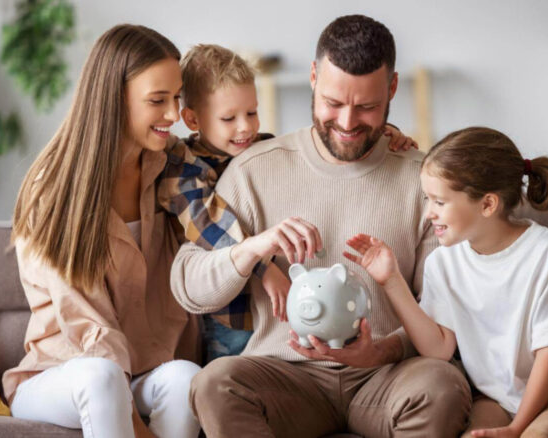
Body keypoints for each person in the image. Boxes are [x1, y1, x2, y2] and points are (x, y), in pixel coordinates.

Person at [171, 15, 471, 438]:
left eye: (366, 107)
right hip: (284, 376)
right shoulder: (252, 168)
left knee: (442, 386)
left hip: (388, 375)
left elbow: (443, 313)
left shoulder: (423, 180)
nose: (347, 123)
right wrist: (253, 249)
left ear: (392, 89)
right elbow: (189, 287)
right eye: (333, 103)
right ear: (313, 77)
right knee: (214, 384)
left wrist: (381, 350)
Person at [2, 24, 201, 438]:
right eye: (157, 100)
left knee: (186, 378)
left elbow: (228, 176)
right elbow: (84, 320)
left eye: (177, 98)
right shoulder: (54, 187)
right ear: (115, 97)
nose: (173, 115)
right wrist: (137, 428)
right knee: (101, 376)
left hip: (144, 369)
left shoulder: (170, 166)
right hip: (62, 373)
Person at [344, 126, 548, 438]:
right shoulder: (443, 263)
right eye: (427, 199)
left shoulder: (546, 254)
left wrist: (516, 429)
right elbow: (439, 349)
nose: (428, 213)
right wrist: (391, 281)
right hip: (496, 400)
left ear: (487, 204)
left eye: (439, 202)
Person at [160, 43, 416, 361]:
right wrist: (264, 269)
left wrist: (383, 134)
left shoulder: (262, 150)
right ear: (192, 119)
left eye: (252, 113)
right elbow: (211, 228)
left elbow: (316, 142)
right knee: (230, 368)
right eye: (229, 118)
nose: (245, 127)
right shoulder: (185, 172)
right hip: (229, 312)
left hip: (270, 312)